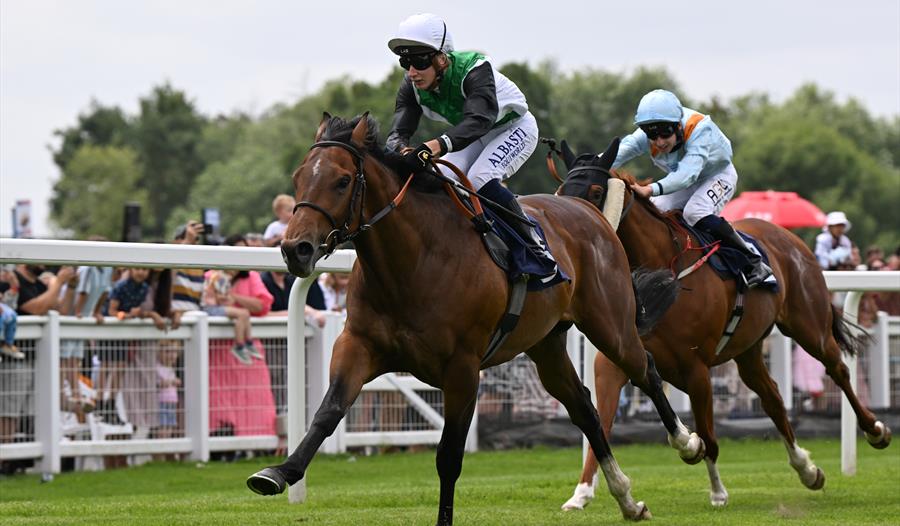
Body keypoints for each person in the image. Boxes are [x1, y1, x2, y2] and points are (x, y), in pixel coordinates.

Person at [385, 13, 549, 258]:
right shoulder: (411, 85)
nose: (412, 72)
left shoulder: (474, 68)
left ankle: (533, 244)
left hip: (514, 128)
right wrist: (404, 151)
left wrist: (434, 145)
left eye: (419, 62)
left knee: (479, 178)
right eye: (405, 62)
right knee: (439, 179)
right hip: (472, 135)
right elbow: (397, 133)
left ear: (442, 59)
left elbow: (480, 119)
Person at [612, 89, 772, 287]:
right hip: (684, 180)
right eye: (653, 135)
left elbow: (688, 175)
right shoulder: (646, 136)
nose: (659, 142)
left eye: (665, 134)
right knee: (651, 210)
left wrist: (650, 189)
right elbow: (616, 154)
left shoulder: (699, 128)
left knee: (695, 211)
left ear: (678, 125)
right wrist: (584, 168)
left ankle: (753, 261)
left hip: (718, 176)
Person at [170, 222, 206, 330]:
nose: (193, 243)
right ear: (175, 241)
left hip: (194, 322)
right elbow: (168, 275)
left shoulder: (199, 268)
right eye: (183, 238)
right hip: (173, 320)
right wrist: (187, 242)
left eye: (196, 239)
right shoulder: (169, 261)